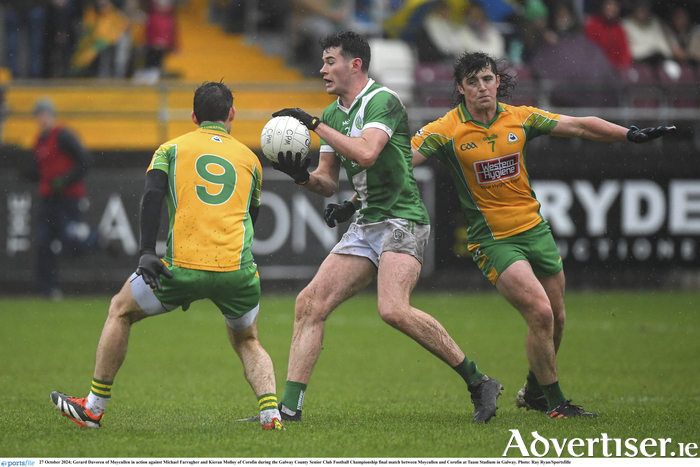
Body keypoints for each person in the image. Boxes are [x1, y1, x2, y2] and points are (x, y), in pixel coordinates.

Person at [243, 30, 503, 424]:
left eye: (330, 61)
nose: (322, 69)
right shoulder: (332, 115)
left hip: (404, 219)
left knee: (392, 309)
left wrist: (312, 123)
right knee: (309, 304)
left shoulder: (383, 100)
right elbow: (327, 182)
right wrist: (298, 175)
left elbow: (366, 153)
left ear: (355, 64)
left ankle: (478, 381)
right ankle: (290, 409)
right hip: (368, 223)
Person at [410, 51, 675, 419]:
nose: (482, 87)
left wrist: (630, 134)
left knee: (558, 318)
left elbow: (581, 126)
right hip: (494, 240)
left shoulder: (520, 117)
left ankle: (534, 392)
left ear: (497, 81)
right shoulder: (446, 130)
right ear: (460, 88)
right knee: (540, 312)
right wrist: (359, 193)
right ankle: (557, 405)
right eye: (472, 82)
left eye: (487, 79)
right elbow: (400, 162)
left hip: (536, 230)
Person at [49, 81, 284, 431]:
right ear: (231, 114)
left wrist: (146, 252)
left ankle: (94, 408)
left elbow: (152, 197)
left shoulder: (170, 149)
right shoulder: (251, 160)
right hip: (236, 271)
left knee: (120, 309)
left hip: (179, 269)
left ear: (193, 117)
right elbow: (252, 218)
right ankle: (271, 416)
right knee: (248, 340)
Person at [29, 97, 100, 300]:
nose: (42, 119)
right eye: (39, 115)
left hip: (68, 198)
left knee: (68, 242)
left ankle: (96, 240)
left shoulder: (63, 135)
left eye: (45, 114)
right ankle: (47, 289)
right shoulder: (39, 141)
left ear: (52, 116)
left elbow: (85, 160)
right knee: (44, 243)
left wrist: (65, 180)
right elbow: (39, 170)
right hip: (49, 199)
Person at [583, 0, 632, 71]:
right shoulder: (592, 25)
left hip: (618, 71)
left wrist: (623, 68)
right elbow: (589, 53)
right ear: (603, 6)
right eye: (609, 5)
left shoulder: (619, 28)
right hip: (597, 70)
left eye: (615, 6)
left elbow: (625, 53)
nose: (612, 8)